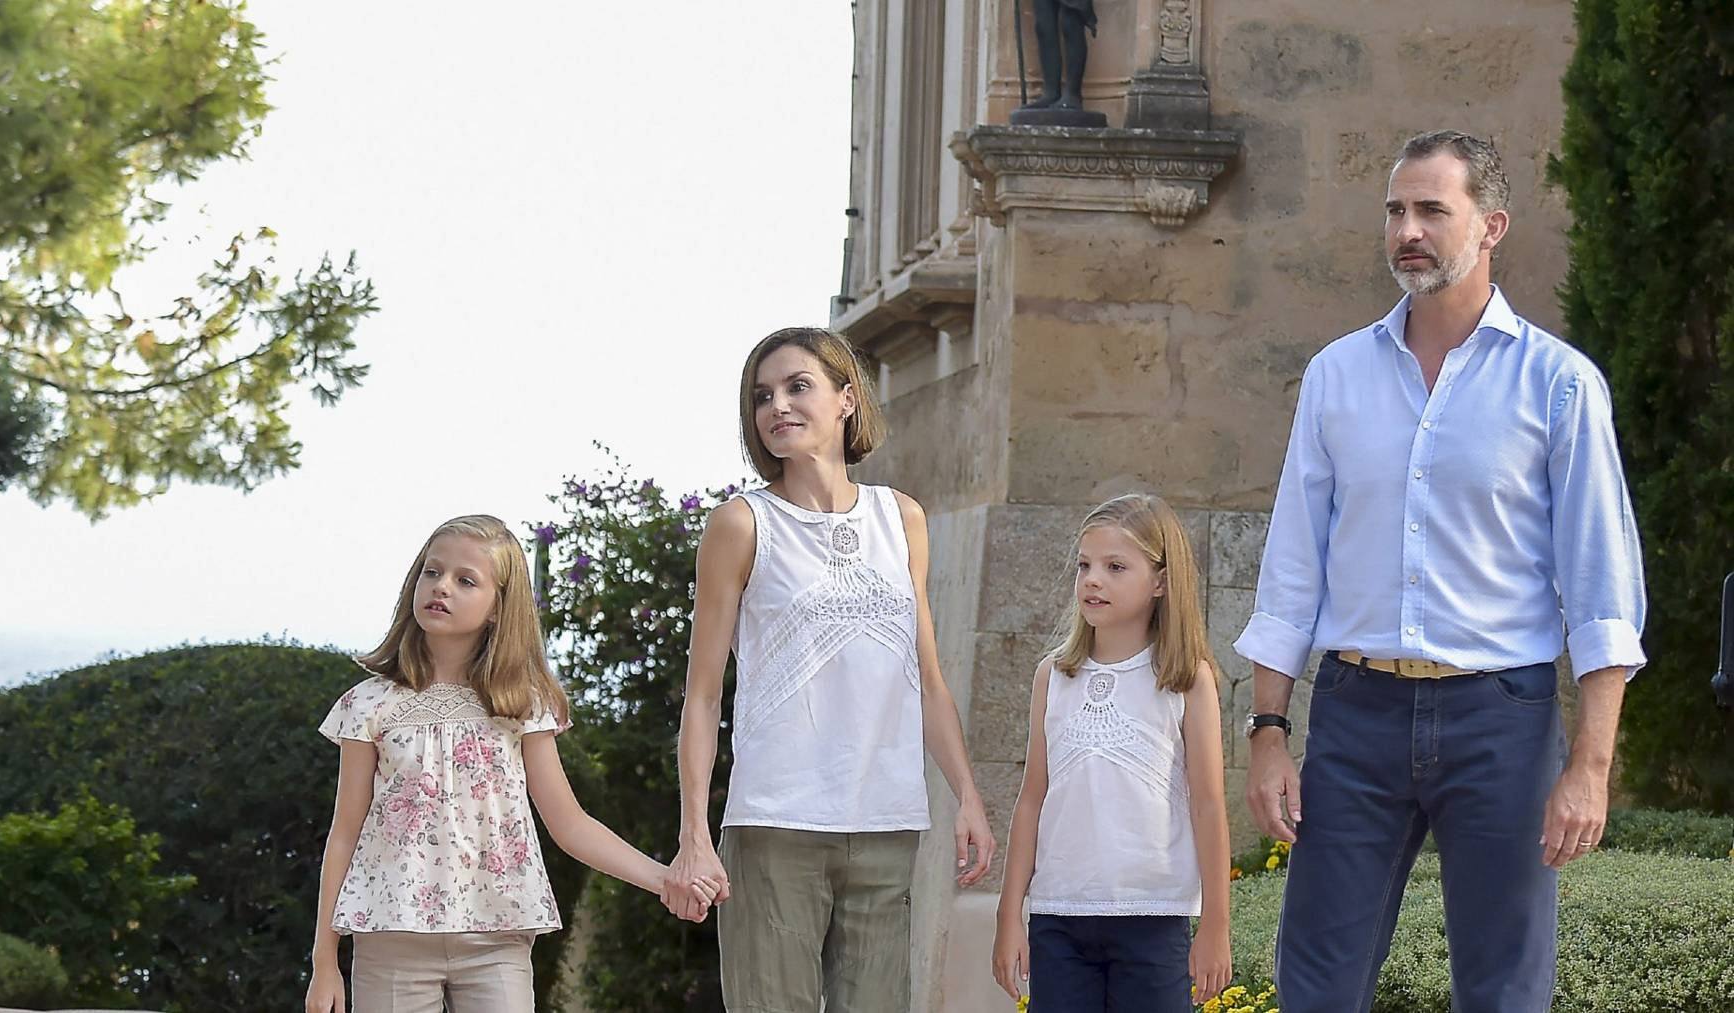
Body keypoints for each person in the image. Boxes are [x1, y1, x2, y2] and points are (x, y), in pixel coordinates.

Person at [1235, 130, 1647, 1012]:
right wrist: (1269, 728)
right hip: (1355, 714)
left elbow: (1602, 589)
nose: (1407, 230)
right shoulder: (1336, 376)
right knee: (1315, 985)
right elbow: (1293, 566)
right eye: (1395, 210)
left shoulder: (1559, 384)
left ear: (1491, 225)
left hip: (1501, 717)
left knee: (1503, 989)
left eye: (1432, 209)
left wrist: (1591, 763)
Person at [664, 327, 997, 1013]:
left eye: (797, 386)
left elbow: (927, 675)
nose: (776, 406)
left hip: (885, 821)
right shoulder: (741, 524)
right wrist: (694, 833)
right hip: (774, 824)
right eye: (762, 395)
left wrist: (966, 793)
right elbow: (702, 697)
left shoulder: (901, 517)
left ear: (848, 398)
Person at [305, 515, 713, 1013]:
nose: (442, 588)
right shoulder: (368, 704)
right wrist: (324, 961)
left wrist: (664, 879)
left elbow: (570, 824)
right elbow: (344, 831)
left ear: (499, 607)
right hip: (393, 936)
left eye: (465, 580)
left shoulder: (524, 705)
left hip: (497, 939)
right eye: (432, 573)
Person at [991, 493, 1232, 1012]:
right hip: (1059, 919)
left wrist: (1215, 923)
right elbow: (1032, 799)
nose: (1092, 579)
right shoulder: (1052, 677)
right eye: (1084, 565)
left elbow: (1208, 804)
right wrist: (1009, 917)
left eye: (1115, 566)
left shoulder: (1188, 682)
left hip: (1153, 918)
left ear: (1161, 581)